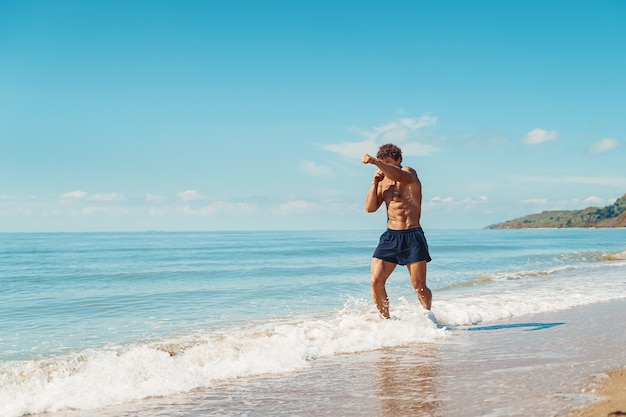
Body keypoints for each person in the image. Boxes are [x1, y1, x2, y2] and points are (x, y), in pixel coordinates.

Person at [361, 143, 432, 319]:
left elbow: (399, 175)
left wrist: (377, 163)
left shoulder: (409, 173)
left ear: (399, 160)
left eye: (389, 162)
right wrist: (374, 183)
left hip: (412, 235)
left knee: (419, 287)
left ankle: (428, 316)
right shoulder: (382, 179)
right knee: (375, 281)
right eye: (384, 162)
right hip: (390, 236)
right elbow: (370, 208)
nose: (386, 166)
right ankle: (386, 322)